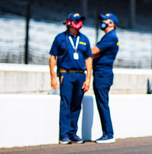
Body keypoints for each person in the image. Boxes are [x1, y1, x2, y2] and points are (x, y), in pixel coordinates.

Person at [49, 12, 93, 144]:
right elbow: (52, 58)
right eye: (76, 20)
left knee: (76, 104)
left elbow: (89, 59)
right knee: (66, 104)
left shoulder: (84, 39)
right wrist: (53, 77)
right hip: (66, 74)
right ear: (69, 23)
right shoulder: (60, 38)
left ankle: (73, 133)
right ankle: (64, 134)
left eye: (80, 20)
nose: (80, 23)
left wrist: (88, 79)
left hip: (80, 74)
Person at [91, 13, 119, 144]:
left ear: (112, 23)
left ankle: (108, 133)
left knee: (102, 104)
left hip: (103, 73)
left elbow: (93, 52)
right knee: (102, 103)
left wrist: (82, 51)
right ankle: (107, 133)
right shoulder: (109, 37)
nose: (103, 22)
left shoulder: (110, 37)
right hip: (103, 72)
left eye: (105, 20)